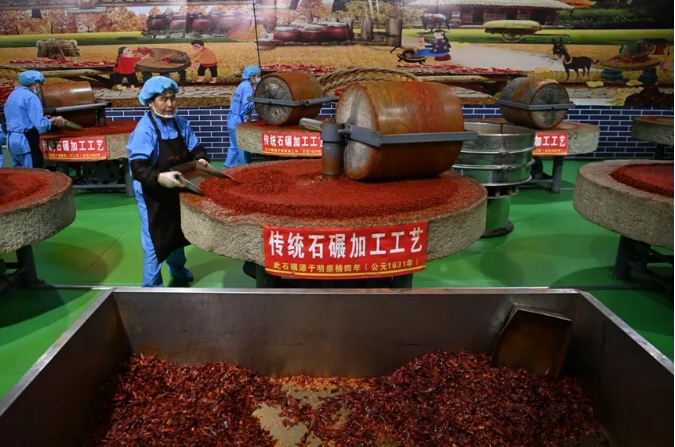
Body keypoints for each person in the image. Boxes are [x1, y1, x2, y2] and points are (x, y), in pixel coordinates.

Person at [126, 76, 212, 288]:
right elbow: (139, 167)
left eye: (173, 98)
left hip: (178, 186)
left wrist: (201, 160)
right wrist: (160, 178)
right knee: (155, 238)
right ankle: (152, 286)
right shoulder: (145, 130)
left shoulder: (180, 123)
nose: (170, 104)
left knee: (176, 231)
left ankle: (177, 267)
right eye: (163, 99)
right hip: (152, 192)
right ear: (150, 101)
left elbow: (195, 148)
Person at [3, 70, 66, 168]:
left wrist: (44, 118)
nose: (40, 88)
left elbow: (20, 117)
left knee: (18, 173)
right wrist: (54, 120)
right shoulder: (31, 97)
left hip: (11, 140)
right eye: (40, 85)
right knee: (33, 172)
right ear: (35, 84)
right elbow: (41, 125)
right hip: (25, 141)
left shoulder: (13, 95)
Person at [225, 65, 261, 168]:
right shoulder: (247, 88)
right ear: (252, 77)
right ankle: (245, 168)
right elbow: (247, 105)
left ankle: (228, 167)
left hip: (232, 119)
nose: (259, 78)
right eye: (258, 76)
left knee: (234, 146)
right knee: (242, 146)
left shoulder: (242, 85)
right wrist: (258, 101)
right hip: (238, 120)